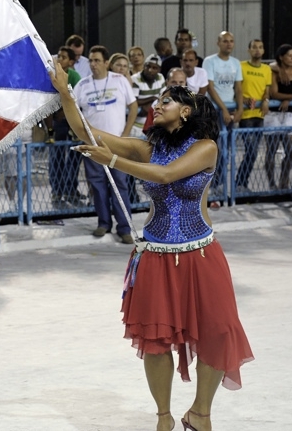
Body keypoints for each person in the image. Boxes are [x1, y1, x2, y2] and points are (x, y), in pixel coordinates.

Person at [50, 63, 254, 431]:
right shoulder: (147, 148)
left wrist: (112, 161)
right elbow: (87, 132)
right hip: (156, 256)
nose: (156, 107)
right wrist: (65, 93)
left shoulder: (206, 148)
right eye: (157, 101)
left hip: (202, 255)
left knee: (219, 332)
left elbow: (166, 175)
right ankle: (164, 417)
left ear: (186, 110)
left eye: (165, 102)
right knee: (156, 341)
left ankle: (200, 413)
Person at [73, 45, 138, 244]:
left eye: (97, 61)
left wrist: (125, 136)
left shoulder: (119, 81)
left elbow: (133, 107)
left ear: (106, 63)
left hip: (116, 144)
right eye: (91, 60)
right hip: (93, 145)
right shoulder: (82, 84)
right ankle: (103, 222)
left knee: (119, 184)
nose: (93, 64)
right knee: (97, 185)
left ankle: (124, 227)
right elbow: (74, 111)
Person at [203, 31, 244, 192]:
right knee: (217, 148)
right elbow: (210, 88)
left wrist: (240, 109)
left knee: (230, 150)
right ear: (218, 42)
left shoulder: (235, 63)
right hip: (216, 110)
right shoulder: (210, 61)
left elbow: (239, 88)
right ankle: (214, 184)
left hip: (231, 109)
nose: (228, 44)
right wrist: (224, 110)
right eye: (225, 41)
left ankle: (228, 185)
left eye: (231, 41)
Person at [235, 39, 271, 191]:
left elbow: (266, 90)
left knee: (253, 153)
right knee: (252, 151)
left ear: (263, 51)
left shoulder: (266, 69)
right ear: (249, 50)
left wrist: (266, 100)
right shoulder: (241, 66)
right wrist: (244, 100)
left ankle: (242, 183)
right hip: (246, 116)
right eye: (254, 47)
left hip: (259, 115)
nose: (257, 50)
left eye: (260, 47)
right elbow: (236, 89)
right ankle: (240, 183)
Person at [50, 46, 84, 206]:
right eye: (59, 56)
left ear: (71, 62)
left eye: (63, 57)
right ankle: (56, 191)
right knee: (56, 157)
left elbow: (76, 99)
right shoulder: (51, 75)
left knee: (73, 158)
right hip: (55, 121)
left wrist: (65, 112)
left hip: (70, 121)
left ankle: (71, 190)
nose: (59, 59)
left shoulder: (75, 76)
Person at [267, 43, 292, 189]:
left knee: (290, 151)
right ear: (281, 57)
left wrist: (288, 99)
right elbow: (274, 93)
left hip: (289, 115)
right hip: (274, 114)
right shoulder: (274, 70)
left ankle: (284, 182)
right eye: (289, 55)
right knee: (271, 149)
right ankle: (271, 185)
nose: (291, 58)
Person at [131, 53, 165, 138]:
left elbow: (163, 99)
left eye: (154, 68)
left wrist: (148, 106)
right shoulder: (135, 79)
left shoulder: (160, 78)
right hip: (136, 126)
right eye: (148, 66)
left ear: (159, 69)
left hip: (155, 126)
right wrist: (152, 98)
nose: (150, 70)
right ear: (144, 66)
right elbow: (133, 102)